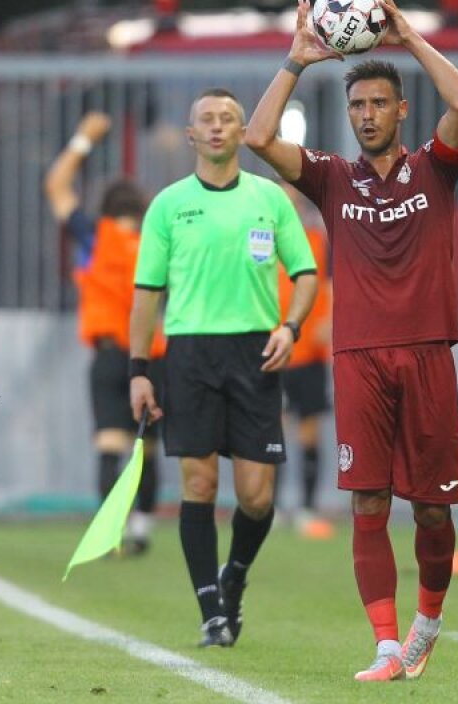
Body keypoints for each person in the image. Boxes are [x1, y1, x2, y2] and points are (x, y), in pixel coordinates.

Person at [243, 0, 458, 682]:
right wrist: (295, 62)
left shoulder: (436, 167)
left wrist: (407, 36)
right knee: (367, 500)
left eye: (378, 104)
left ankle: (426, 623)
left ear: (401, 110)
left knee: (431, 510)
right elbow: (259, 139)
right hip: (358, 358)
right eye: (357, 106)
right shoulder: (332, 179)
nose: (366, 115)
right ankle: (383, 645)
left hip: (428, 353)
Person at [128, 88, 319, 648]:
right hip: (188, 354)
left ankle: (233, 578)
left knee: (257, 496)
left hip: (256, 353)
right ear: (190, 135)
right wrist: (140, 369)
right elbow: (146, 294)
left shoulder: (270, 199)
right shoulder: (168, 205)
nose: (216, 128)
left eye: (227, 119)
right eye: (205, 120)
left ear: (243, 133)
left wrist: (291, 327)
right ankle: (211, 610)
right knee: (201, 483)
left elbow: (306, 274)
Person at [44, 111, 163, 554]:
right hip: (154, 356)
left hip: (111, 354)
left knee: (110, 445)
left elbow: (56, 188)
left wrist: (82, 140)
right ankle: (142, 530)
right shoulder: (158, 240)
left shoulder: (97, 237)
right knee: (146, 448)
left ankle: (111, 533)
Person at [277, 184, 335, 539]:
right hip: (275, 347)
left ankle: (308, 507)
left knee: (309, 430)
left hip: (309, 348)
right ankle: (272, 507)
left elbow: (331, 284)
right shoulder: (261, 242)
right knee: (274, 431)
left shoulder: (317, 239)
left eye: (294, 200)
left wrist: (330, 319)